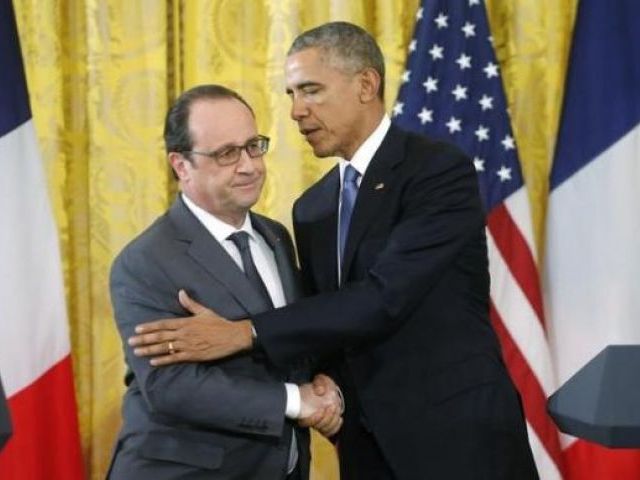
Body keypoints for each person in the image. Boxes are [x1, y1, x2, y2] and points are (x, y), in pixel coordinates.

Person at [129, 23, 539, 479]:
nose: (295, 112)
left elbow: (385, 297)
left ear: (366, 85)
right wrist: (323, 388)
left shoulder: (437, 172)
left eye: (310, 91)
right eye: (290, 94)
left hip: (457, 440)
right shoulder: (313, 208)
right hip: (365, 444)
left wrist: (244, 332)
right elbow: (324, 318)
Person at [108, 84, 342, 480]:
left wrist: (324, 385)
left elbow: (290, 339)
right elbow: (171, 386)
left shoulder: (277, 237)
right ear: (181, 165)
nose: (249, 165)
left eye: (253, 146)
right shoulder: (143, 262)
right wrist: (294, 400)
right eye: (226, 154)